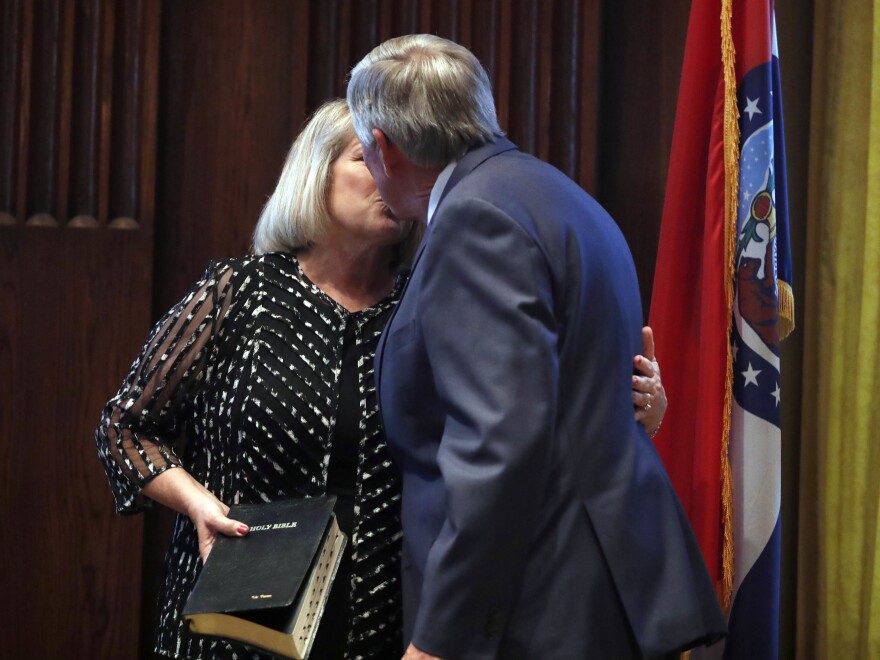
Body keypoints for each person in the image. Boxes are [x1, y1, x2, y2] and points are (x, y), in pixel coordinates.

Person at [95, 99, 667, 659]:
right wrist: (196, 502)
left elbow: (512, 432)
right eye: (364, 158)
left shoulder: (428, 300)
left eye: (394, 160)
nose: (386, 175)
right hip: (239, 621)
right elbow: (124, 426)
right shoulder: (238, 293)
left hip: (385, 620)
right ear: (315, 174)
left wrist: (635, 412)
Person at [346, 35, 726, 660]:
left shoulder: (476, 220)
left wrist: (443, 636)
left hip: (538, 604)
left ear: (383, 145)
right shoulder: (559, 196)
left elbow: (498, 445)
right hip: (600, 584)